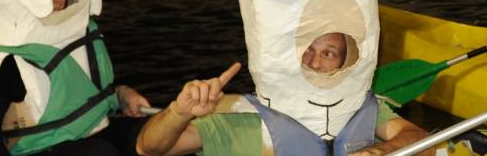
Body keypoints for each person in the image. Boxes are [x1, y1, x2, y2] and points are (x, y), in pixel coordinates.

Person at [0, 0, 152, 155]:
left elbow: (89, 91)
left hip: (91, 130)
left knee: (160, 130)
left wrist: (121, 94)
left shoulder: (75, 36)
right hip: (38, 148)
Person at [136, 43, 428, 156]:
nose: (313, 62)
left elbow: (419, 140)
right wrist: (178, 112)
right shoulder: (243, 116)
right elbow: (149, 148)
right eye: (306, 49)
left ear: (342, 63)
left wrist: (382, 151)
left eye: (328, 53)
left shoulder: (357, 106)